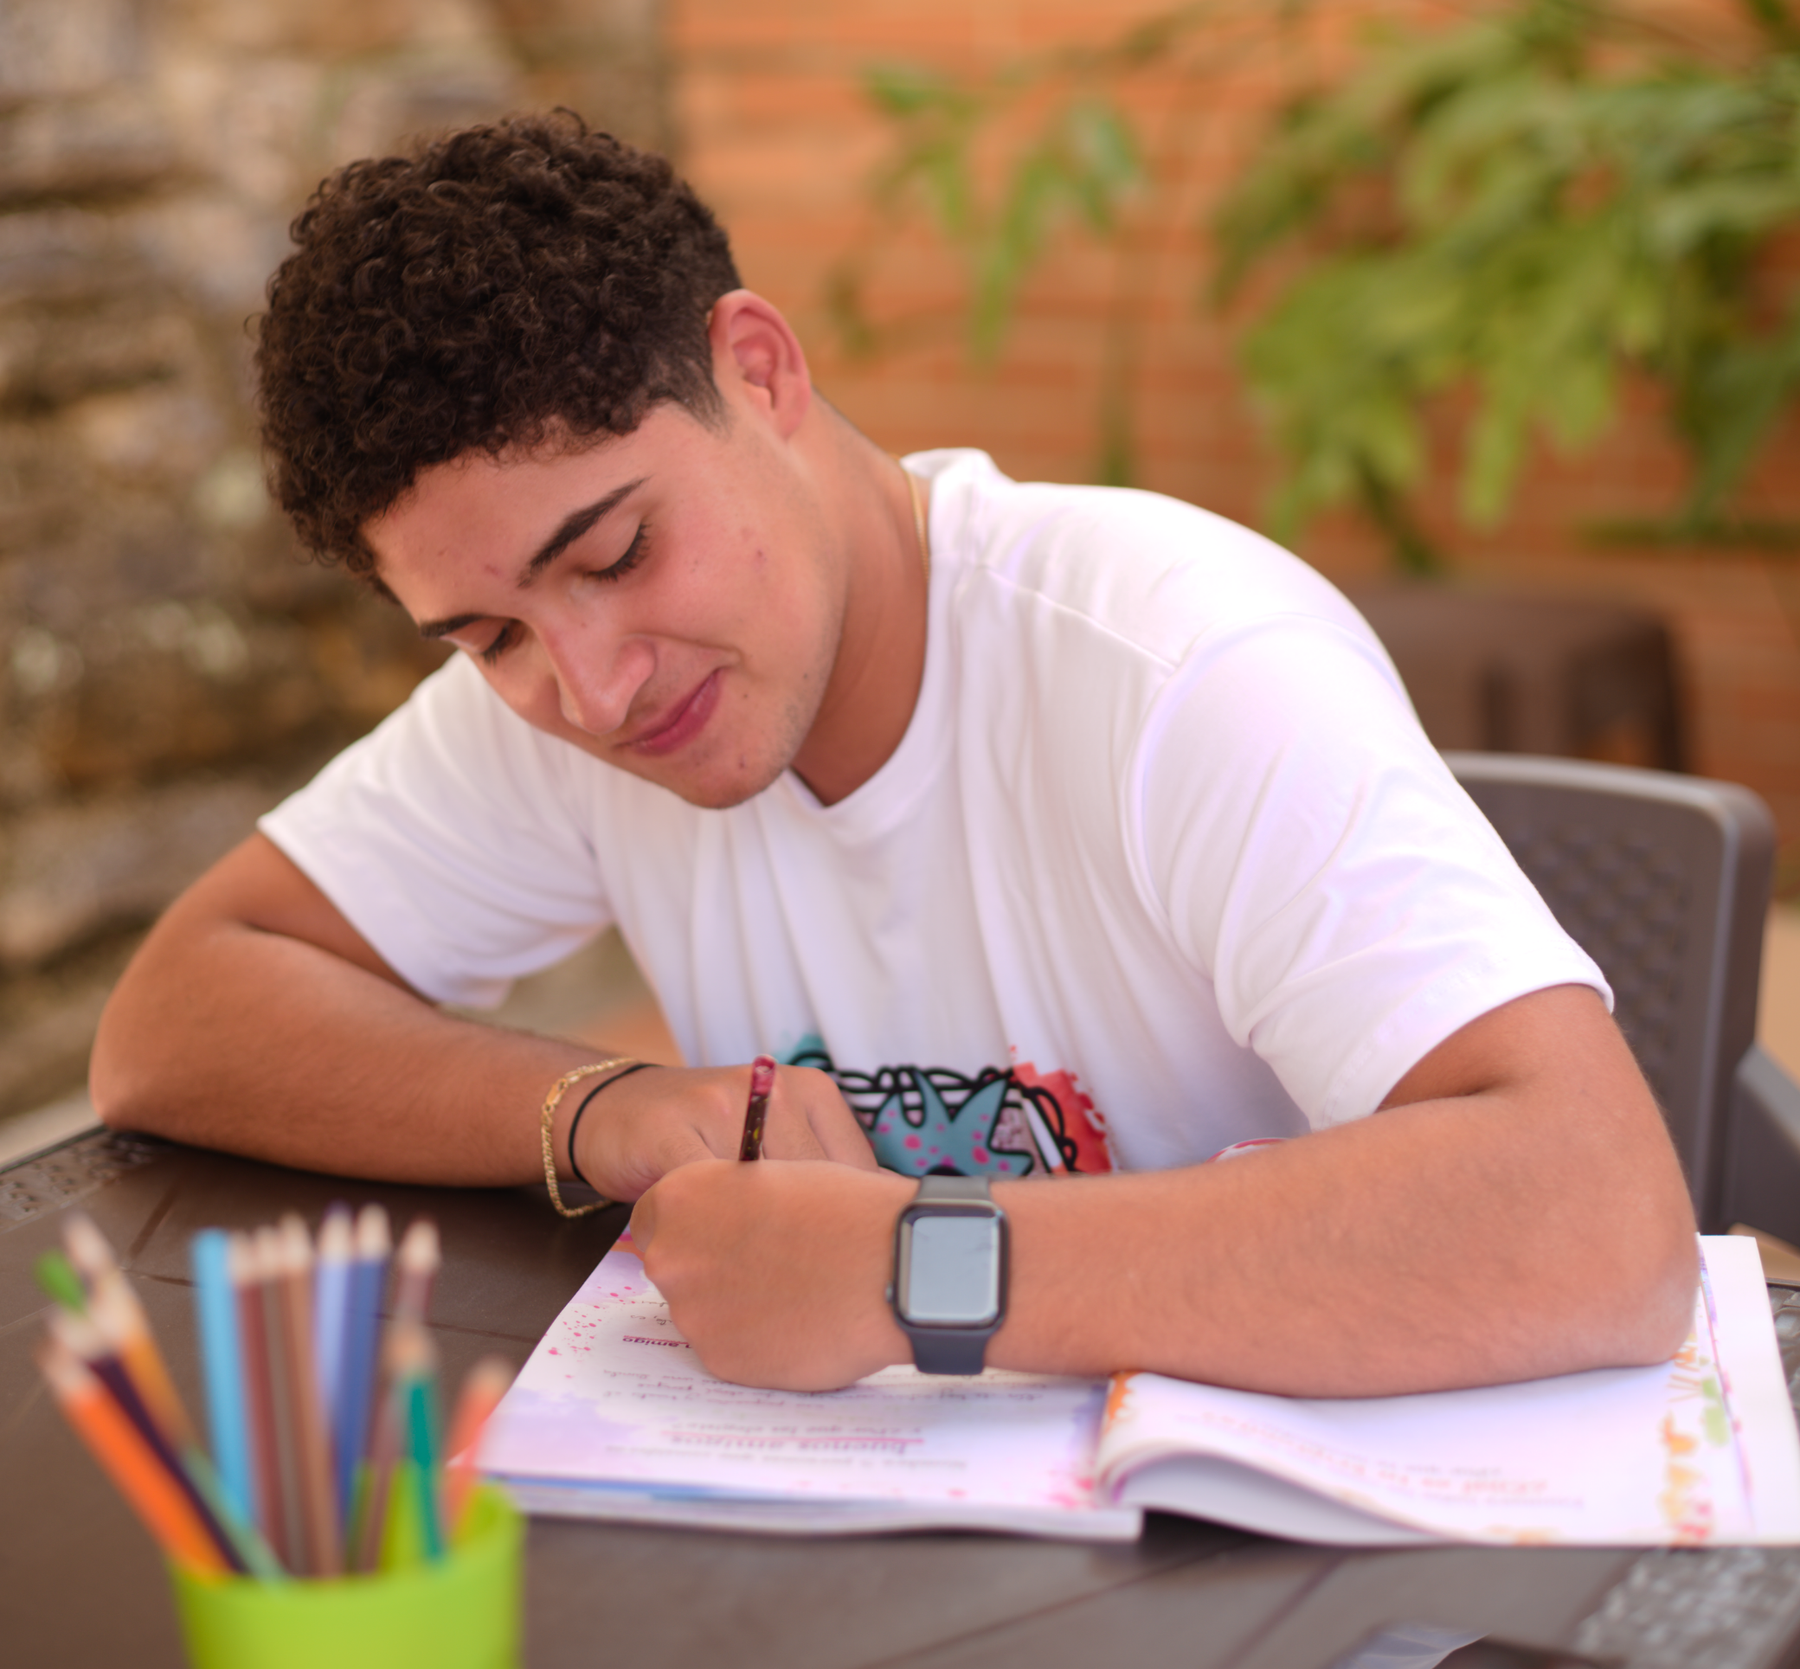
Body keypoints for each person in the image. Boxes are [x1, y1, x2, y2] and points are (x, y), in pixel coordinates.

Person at [90, 115, 1695, 1396]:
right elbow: (177, 1019)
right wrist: (594, 1105)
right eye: (489, 636)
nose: (592, 688)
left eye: (621, 551)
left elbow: (1600, 1225)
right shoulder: (579, 699)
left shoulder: (1180, 666)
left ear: (760, 372)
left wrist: (914, 1269)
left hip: (1309, 1598)